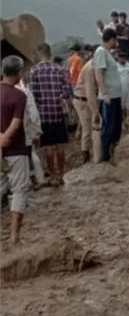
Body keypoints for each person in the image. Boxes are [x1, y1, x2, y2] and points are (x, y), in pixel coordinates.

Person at [29, 43, 72, 186]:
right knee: (60, 146)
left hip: (44, 115)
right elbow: (66, 92)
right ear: (50, 53)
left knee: (48, 147)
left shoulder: (34, 71)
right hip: (58, 113)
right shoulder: (60, 70)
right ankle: (61, 174)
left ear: (40, 53)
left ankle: (53, 175)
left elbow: (34, 95)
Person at [1, 56, 31, 244]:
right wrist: (6, 137)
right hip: (16, 149)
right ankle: (14, 236)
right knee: (19, 191)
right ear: (19, 73)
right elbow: (17, 121)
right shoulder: (20, 96)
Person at [93, 29, 123, 164]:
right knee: (108, 127)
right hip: (108, 96)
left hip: (115, 95)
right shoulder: (100, 52)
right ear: (111, 39)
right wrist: (104, 92)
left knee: (116, 126)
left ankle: (113, 154)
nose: (116, 43)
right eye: (115, 40)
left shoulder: (108, 53)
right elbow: (99, 72)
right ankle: (105, 157)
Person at [73, 45, 99, 163]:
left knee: (91, 127)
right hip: (82, 99)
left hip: (85, 98)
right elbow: (90, 92)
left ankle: (92, 153)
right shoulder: (90, 68)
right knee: (88, 128)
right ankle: (86, 156)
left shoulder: (95, 65)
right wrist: (95, 111)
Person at [116, 52, 129, 132]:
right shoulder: (115, 66)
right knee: (121, 105)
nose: (122, 59)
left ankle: (128, 117)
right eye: (121, 58)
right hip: (120, 88)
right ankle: (123, 119)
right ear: (118, 58)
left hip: (128, 85)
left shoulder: (128, 65)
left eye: (123, 58)